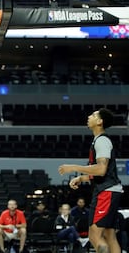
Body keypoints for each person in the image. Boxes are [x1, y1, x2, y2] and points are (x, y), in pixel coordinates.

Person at [58, 108, 122, 253]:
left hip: (106, 192)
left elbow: (101, 169)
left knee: (94, 236)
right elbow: (98, 173)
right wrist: (81, 178)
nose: (89, 116)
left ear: (100, 122)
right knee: (109, 235)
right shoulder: (98, 141)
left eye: (93, 115)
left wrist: (73, 167)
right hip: (110, 190)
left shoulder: (102, 141)